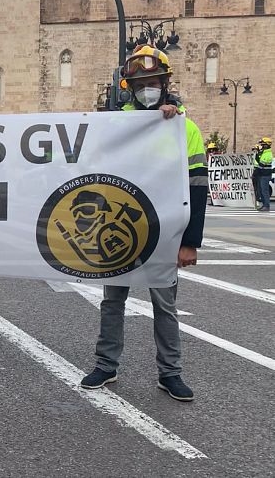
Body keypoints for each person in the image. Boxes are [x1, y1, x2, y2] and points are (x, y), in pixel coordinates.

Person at [80, 46, 207, 402]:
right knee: (112, 300)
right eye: (140, 84)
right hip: (118, 228)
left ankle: (170, 373)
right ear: (129, 87)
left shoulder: (186, 129)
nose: (147, 89)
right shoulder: (116, 125)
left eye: (153, 82)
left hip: (165, 232)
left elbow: (198, 188)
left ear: (165, 84)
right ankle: (106, 365)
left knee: (164, 305)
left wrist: (190, 241)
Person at [254, 137, 271, 211]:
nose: (262, 146)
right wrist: (257, 153)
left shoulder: (268, 154)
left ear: (267, 145)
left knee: (264, 191)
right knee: (260, 191)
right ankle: (264, 205)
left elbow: (261, 165)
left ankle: (266, 206)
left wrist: (255, 173)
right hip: (261, 175)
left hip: (265, 175)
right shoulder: (263, 153)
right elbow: (258, 161)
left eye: (263, 145)